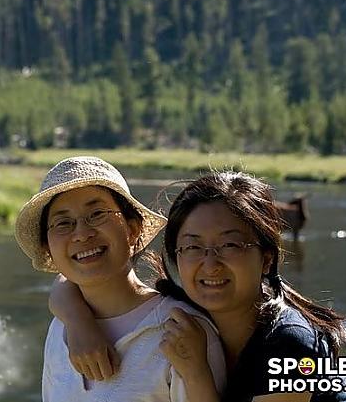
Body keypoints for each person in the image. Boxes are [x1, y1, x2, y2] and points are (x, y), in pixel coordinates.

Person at [51, 170, 346, 402]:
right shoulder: (191, 306)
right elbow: (69, 281)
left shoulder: (291, 345)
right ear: (176, 256)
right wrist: (79, 323)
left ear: (266, 258)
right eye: (193, 247)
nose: (210, 264)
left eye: (230, 245)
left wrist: (196, 371)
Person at [15, 156, 226, 402]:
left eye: (96, 214)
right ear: (47, 247)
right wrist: (76, 321)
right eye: (63, 223)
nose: (82, 233)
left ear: (133, 228)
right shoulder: (61, 328)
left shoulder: (183, 331)